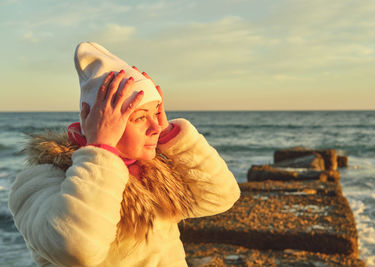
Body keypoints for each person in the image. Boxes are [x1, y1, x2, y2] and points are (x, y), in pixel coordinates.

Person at [8, 42, 240, 266]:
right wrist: (101, 149)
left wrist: (169, 133)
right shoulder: (38, 181)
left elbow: (221, 197)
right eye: (140, 117)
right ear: (99, 119)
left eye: (156, 114)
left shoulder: (152, 170)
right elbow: (78, 250)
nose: (155, 127)